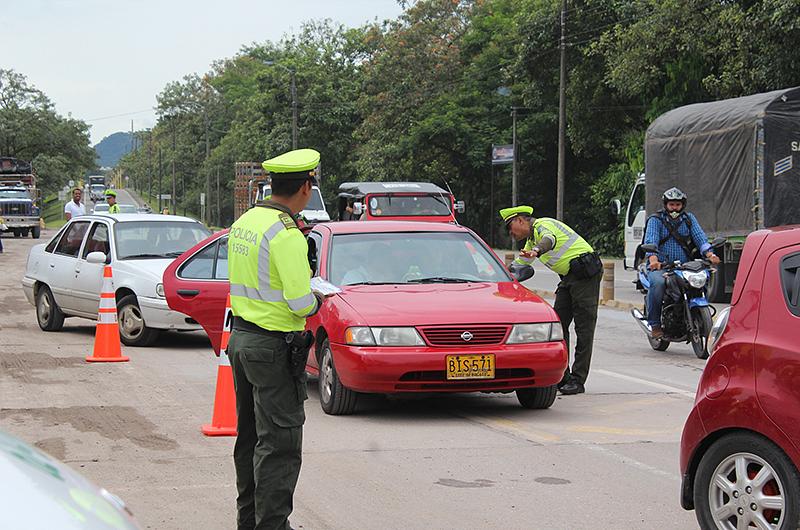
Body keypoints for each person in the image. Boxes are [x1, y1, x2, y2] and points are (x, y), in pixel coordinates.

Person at [227, 148, 325, 530]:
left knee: (250, 438)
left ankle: (248, 521)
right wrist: (318, 298)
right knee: (280, 444)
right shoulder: (287, 235)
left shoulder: (246, 222)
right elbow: (300, 302)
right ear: (305, 187)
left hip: (242, 340)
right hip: (272, 347)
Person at [500, 205, 602, 396]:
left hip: (585, 274)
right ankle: (564, 377)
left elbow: (550, 240)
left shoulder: (542, 226)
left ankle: (578, 381)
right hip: (568, 278)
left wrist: (537, 251)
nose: (510, 233)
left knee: (584, 329)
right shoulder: (530, 242)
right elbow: (516, 268)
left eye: (510, 227)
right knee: (558, 325)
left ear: (520, 220)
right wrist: (495, 277)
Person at [643, 187, 719, 339]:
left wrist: (710, 254)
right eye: (671, 205)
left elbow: (700, 238)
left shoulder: (688, 219)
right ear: (666, 205)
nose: (674, 208)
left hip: (684, 266)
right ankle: (655, 324)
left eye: (677, 205)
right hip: (662, 266)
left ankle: (690, 315)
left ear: (682, 205)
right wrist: (653, 260)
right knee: (658, 284)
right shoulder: (656, 220)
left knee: (700, 282)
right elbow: (651, 241)